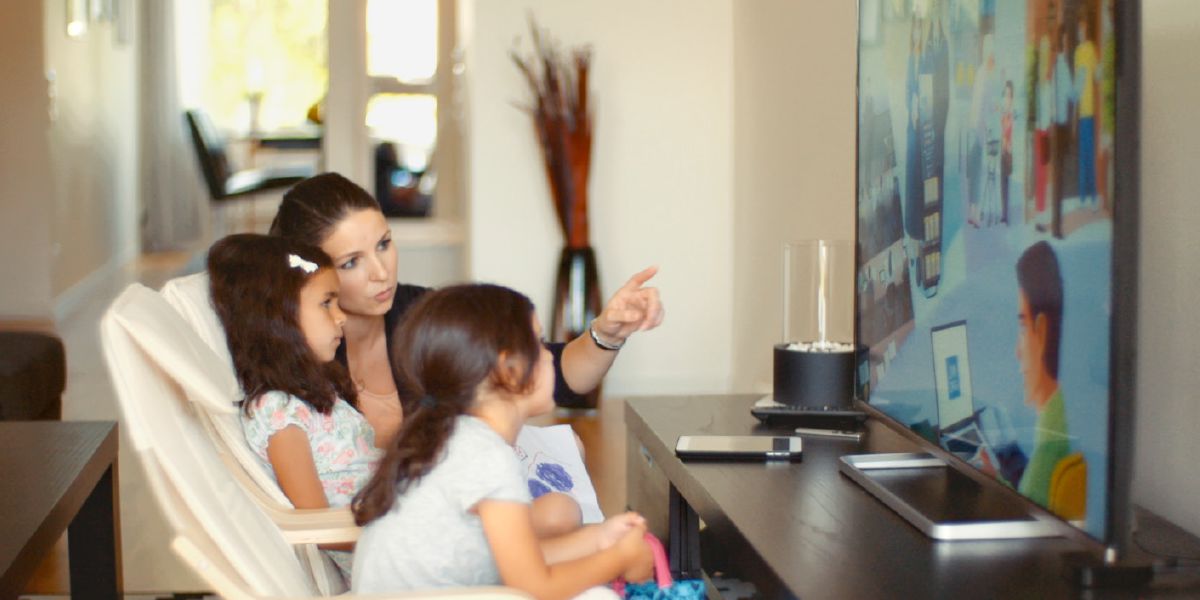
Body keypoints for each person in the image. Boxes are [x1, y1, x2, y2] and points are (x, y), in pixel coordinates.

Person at [269, 171, 664, 536]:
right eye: (352, 262)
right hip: (401, 541)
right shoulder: (297, 364)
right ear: (313, 275)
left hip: (460, 520)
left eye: (384, 244)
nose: (381, 272)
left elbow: (547, 373)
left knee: (566, 469)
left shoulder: (423, 314)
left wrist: (607, 332)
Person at [351, 284, 653, 594]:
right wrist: (619, 558)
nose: (550, 357)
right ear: (508, 371)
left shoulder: (456, 438)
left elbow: (510, 559)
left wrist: (600, 538)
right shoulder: (485, 456)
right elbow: (534, 584)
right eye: (539, 344)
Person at [207, 233, 380, 582]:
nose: (341, 317)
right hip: (380, 558)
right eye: (327, 303)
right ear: (279, 317)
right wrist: (398, 533)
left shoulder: (316, 391)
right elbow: (314, 519)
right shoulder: (280, 413)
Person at [1013, 241, 1071, 508]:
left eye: (1023, 326)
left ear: (1043, 330)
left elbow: (1020, 517)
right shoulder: (1062, 414)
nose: (1017, 351)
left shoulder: (1049, 447)